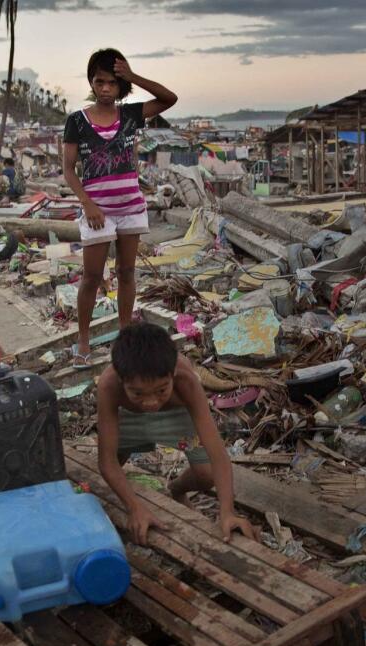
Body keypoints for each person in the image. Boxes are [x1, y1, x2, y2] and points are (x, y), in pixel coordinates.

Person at [62, 48, 177, 368]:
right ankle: (83, 342)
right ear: (91, 82)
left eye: (112, 83)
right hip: (97, 211)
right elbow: (69, 170)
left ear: (120, 85)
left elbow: (170, 98)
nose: (105, 88)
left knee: (126, 272)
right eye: (99, 82)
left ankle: (125, 335)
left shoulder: (130, 115)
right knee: (92, 276)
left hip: (130, 207)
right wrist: (88, 205)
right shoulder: (77, 121)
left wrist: (134, 76)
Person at [96, 322, 257, 545]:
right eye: (138, 393)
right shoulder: (108, 385)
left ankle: (177, 489)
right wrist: (135, 508)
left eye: (162, 390)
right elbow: (106, 461)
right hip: (129, 417)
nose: (151, 402)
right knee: (114, 462)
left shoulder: (186, 381)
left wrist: (227, 512)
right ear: (122, 380)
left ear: (172, 374)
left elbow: (217, 454)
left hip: (175, 413)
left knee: (206, 474)